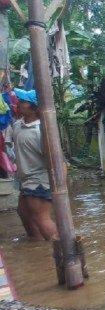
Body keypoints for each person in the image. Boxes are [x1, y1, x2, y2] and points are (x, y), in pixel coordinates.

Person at [6, 89, 58, 240]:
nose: (18, 104)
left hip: (38, 179)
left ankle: (64, 251)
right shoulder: (17, 125)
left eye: (23, 102)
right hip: (25, 178)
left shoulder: (41, 131)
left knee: (41, 218)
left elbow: (55, 160)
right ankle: (38, 246)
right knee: (23, 212)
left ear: (34, 108)